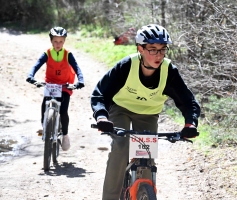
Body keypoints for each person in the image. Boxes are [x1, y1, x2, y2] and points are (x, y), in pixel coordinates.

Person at [90, 24, 200, 199]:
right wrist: (102, 116)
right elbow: (100, 94)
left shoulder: (168, 71)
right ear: (140, 48)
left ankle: (144, 193)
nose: (159, 55)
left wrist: (190, 123)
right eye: (153, 50)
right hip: (121, 109)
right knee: (121, 146)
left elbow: (188, 101)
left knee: (146, 156)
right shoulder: (126, 66)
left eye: (163, 50)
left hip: (148, 114)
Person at [26, 27, 85, 151]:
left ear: (64, 42)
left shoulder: (68, 54)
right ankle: (45, 127)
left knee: (63, 111)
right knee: (44, 106)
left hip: (64, 85)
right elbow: (36, 65)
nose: (58, 44)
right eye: (55, 42)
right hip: (51, 85)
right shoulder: (47, 53)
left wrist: (80, 81)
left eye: (61, 42)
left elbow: (77, 68)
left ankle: (65, 135)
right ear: (51, 41)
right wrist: (31, 76)